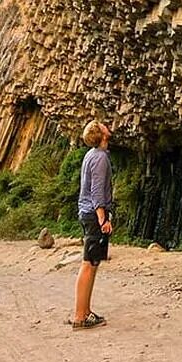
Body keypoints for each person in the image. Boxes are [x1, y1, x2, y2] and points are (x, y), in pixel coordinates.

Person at [72, 119, 114, 330]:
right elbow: (97, 191)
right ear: (102, 134)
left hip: (87, 213)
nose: (107, 125)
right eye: (103, 125)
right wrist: (103, 219)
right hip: (93, 215)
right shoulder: (99, 158)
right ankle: (80, 316)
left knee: (92, 263)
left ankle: (85, 312)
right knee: (88, 264)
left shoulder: (93, 155)